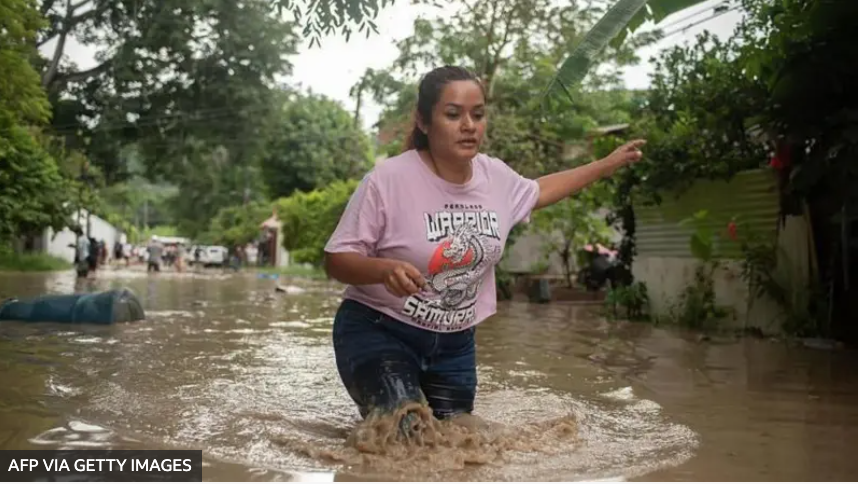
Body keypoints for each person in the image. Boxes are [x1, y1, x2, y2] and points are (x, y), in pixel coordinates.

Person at [323, 66, 645, 433]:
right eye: (453, 114)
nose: (469, 125)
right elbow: (336, 260)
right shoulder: (388, 180)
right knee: (406, 433)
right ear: (424, 122)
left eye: (478, 114)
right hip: (380, 330)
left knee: (464, 436)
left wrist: (606, 165)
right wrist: (382, 270)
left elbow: (542, 191)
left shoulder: (496, 177)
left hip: (454, 344)